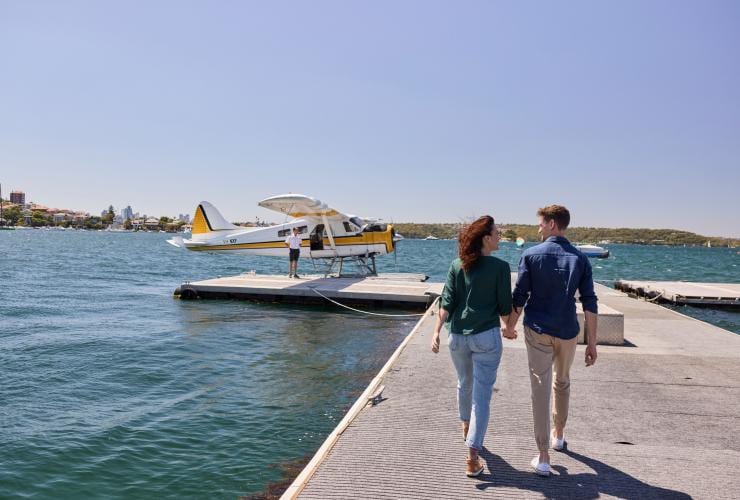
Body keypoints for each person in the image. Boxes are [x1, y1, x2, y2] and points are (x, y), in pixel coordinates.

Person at [508, 205, 598, 477]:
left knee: (540, 389)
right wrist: (592, 343)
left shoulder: (531, 255)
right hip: (568, 330)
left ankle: (544, 455)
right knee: (563, 381)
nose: (538, 228)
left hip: (537, 329)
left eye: (540, 223)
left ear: (551, 224)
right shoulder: (580, 258)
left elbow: (520, 295)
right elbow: (590, 301)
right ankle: (559, 433)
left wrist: (509, 326)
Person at [431, 215, 516, 478]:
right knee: (482, 396)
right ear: (486, 239)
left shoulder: (458, 265)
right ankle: (472, 456)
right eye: (497, 233)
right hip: (486, 338)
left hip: (456, 336)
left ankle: (466, 428)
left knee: (463, 383)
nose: (500, 237)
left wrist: (435, 332)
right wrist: (511, 325)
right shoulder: (501, 268)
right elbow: (505, 309)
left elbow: (447, 301)